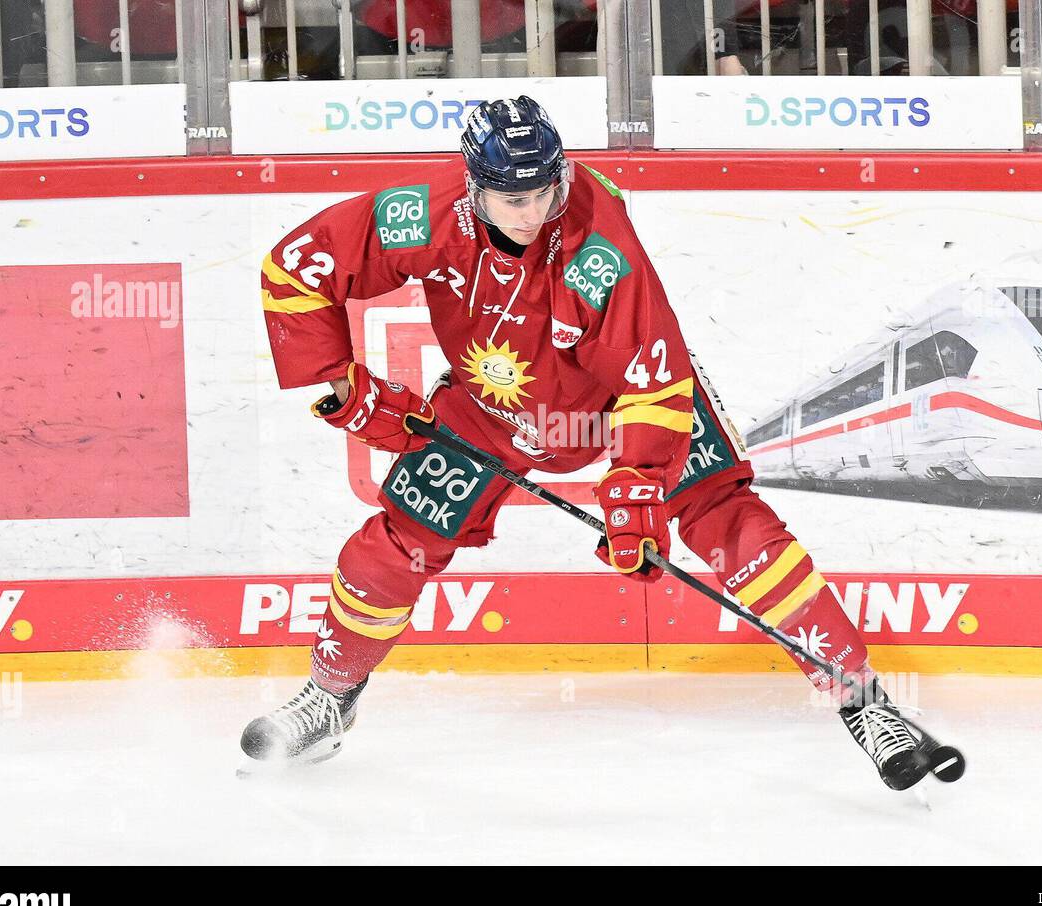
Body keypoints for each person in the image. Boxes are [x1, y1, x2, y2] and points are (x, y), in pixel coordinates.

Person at [242, 95, 928, 790]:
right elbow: (295, 267)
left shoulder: (600, 245)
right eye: (511, 198)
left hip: (620, 399)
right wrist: (341, 386)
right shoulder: (423, 213)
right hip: (494, 406)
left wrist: (639, 482)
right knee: (397, 541)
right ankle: (330, 697)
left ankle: (863, 700)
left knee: (726, 517)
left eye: (544, 190)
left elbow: (654, 379)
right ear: (473, 186)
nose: (531, 211)